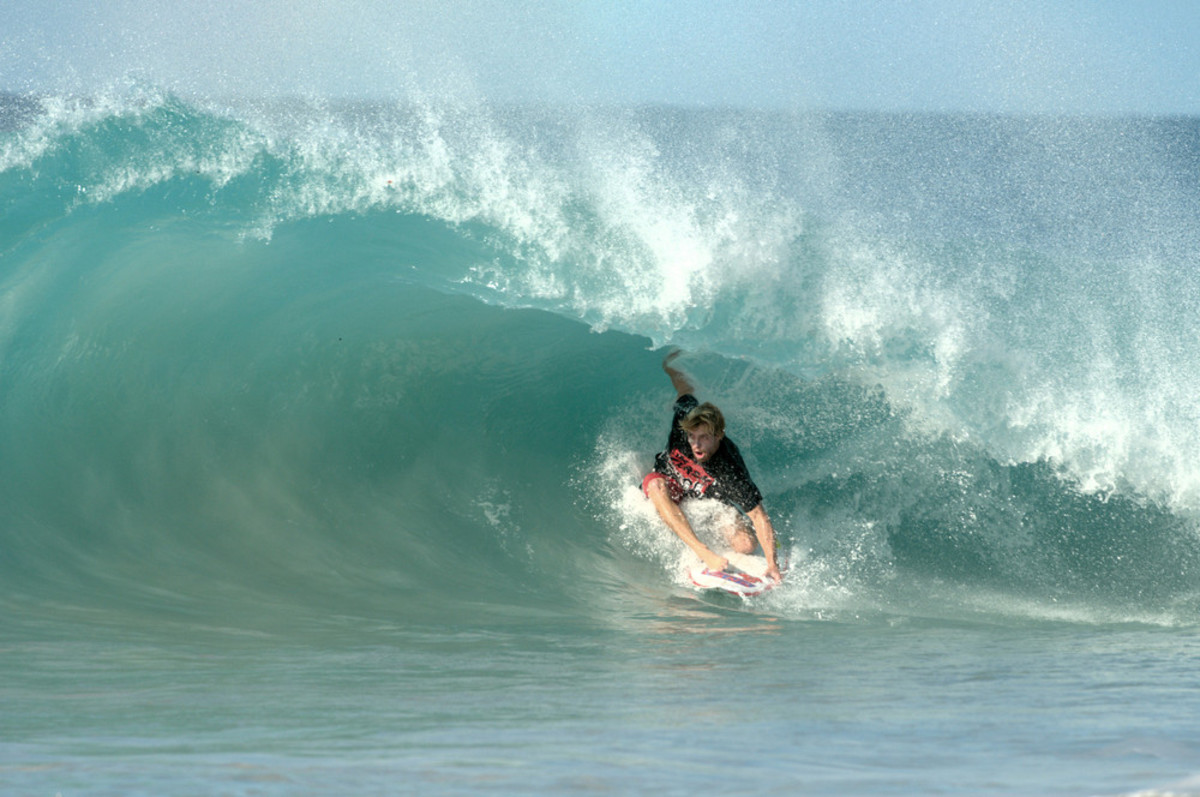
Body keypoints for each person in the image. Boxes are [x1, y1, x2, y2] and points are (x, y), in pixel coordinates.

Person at [642, 350, 782, 583]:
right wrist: (670, 367)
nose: (696, 445)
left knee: (746, 544)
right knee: (655, 485)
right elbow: (685, 389)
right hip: (670, 485)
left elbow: (758, 514)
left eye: (704, 438)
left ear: (719, 435)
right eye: (692, 437)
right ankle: (702, 550)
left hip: (707, 500)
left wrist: (772, 565)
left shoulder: (730, 469)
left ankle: (769, 541)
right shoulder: (685, 418)